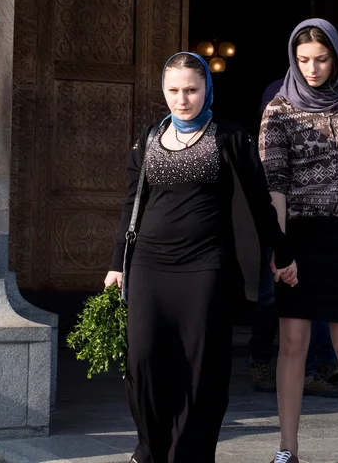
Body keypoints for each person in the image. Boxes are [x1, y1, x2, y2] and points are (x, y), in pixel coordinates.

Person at [104, 51, 296, 463]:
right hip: (149, 266)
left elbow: (261, 203)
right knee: (143, 362)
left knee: (201, 365)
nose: (182, 98)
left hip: (205, 265)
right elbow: (131, 203)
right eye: (173, 90)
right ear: (164, 91)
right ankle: (151, 450)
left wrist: (282, 253)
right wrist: (117, 263)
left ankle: (189, 454)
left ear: (207, 88)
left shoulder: (229, 136)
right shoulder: (150, 137)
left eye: (191, 89)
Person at [260, 19, 338, 463]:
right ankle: (287, 448)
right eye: (303, 60)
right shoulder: (278, 109)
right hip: (301, 236)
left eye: (321, 59)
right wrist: (281, 247)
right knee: (292, 344)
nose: (312, 68)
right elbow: (275, 184)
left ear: (336, 56)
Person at [250, 80, 338, 398]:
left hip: (316, 212)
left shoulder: (336, 95)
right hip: (278, 210)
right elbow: (270, 166)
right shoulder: (275, 93)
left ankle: (320, 365)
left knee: (315, 291)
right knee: (270, 293)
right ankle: (261, 361)